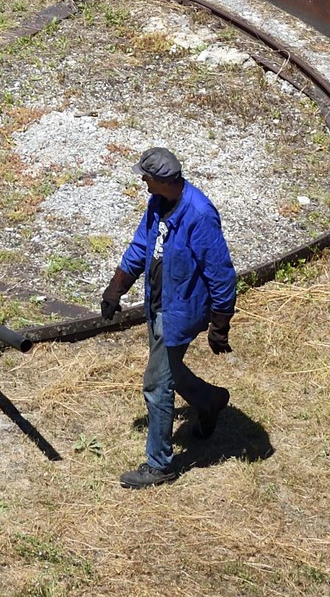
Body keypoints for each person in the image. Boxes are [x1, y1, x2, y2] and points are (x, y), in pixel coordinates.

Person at [101, 145, 237, 488]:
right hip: (159, 304)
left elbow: (221, 273)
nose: (142, 181)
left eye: (145, 176)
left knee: (157, 384)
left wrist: (220, 324)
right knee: (171, 368)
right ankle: (210, 401)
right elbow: (141, 247)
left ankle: (159, 465)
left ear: (162, 179)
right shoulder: (158, 203)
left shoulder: (199, 215)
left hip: (182, 311)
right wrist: (116, 287)